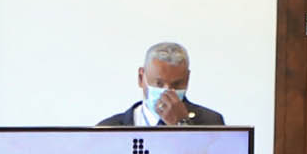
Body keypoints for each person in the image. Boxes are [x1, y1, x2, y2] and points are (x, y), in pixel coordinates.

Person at [97, 41, 226, 127]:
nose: (167, 91)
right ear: (141, 78)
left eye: (176, 84)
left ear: (187, 80)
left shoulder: (211, 123)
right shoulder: (109, 129)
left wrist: (182, 124)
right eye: (159, 84)